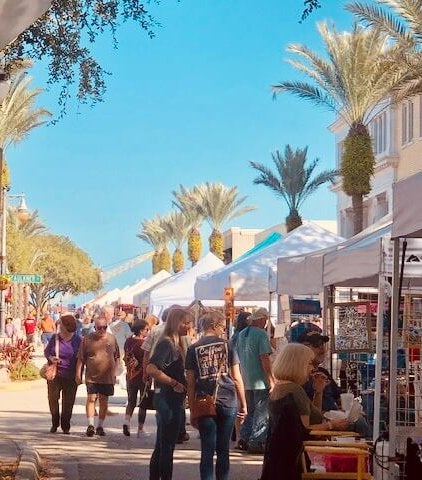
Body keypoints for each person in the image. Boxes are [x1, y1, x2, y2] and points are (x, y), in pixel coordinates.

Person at [186, 311, 247, 480]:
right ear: (214, 325)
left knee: (207, 450)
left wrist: (192, 408)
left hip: (204, 400)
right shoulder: (228, 345)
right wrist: (243, 403)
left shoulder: (193, 348)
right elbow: (236, 377)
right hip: (228, 399)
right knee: (223, 449)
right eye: (222, 326)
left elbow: (190, 382)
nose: (223, 330)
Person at [297, 330, 371, 437]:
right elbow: (308, 418)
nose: (322, 348)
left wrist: (350, 411)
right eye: (317, 345)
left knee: (360, 417)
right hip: (321, 422)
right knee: (360, 423)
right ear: (304, 348)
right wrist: (330, 421)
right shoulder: (301, 378)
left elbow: (339, 398)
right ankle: (371, 451)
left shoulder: (323, 372)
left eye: (323, 344)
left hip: (332, 417)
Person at [146, 307, 192, 480]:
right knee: (166, 446)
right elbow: (151, 368)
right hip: (167, 398)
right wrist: (174, 382)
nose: (188, 327)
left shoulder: (175, 343)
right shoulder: (167, 343)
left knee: (162, 444)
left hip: (170, 399)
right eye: (186, 323)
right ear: (176, 323)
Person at [271, 343, 350, 432]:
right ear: (299, 365)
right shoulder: (295, 390)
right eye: (309, 364)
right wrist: (331, 425)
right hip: (303, 445)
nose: (312, 368)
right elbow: (305, 431)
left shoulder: (279, 387)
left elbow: (315, 418)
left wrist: (318, 392)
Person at [235, 308, 274, 454]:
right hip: (260, 379)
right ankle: (256, 441)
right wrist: (271, 379)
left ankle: (244, 438)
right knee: (262, 412)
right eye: (266, 320)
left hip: (247, 378)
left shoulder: (241, 334)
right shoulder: (261, 334)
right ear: (262, 319)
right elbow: (264, 357)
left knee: (251, 411)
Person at [76, 314, 120, 437]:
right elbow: (80, 358)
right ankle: (90, 425)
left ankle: (100, 426)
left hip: (107, 377)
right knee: (91, 399)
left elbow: (117, 357)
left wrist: (115, 372)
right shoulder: (87, 339)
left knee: (104, 401)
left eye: (104, 327)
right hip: (92, 376)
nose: (101, 330)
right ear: (94, 327)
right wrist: (78, 374)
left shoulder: (112, 339)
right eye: (99, 327)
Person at [44, 314, 81, 434]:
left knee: (68, 401)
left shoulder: (78, 340)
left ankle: (66, 425)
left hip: (71, 375)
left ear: (66, 326)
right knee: (53, 398)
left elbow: (81, 358)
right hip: (55, 374)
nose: (58, 325)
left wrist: (79, 373)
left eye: (61, 324)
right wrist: (51, 358)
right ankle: (55, 422)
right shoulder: (55, 338)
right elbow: (47, 352)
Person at [123, 320, 150, 437]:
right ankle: (140, 429)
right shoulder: (144, 343)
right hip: (143, 375)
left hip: (130, 374)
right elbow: (148, 358)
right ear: (141, 330)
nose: (148, 332)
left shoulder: (128, 341)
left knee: (131, 401)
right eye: (146, 330)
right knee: (143, 402)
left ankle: (126, 421)